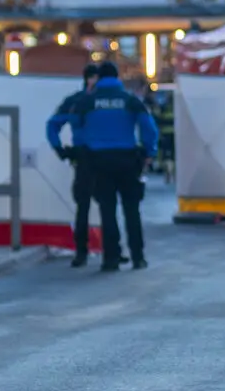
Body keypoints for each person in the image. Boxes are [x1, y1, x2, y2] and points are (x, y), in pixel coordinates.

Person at [73, 61, 158, 271]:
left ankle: (110, 258)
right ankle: (138, 257)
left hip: (99, 161)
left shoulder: (88, 102)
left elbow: (77, 130)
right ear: (117, 77)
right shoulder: (130, 100)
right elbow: (149, 128)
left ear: (99, 78)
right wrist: (149, 152)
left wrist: (83, 150)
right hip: (128, 160)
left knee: (107, 210)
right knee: (132, 210)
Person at [46, 63, 103, 268]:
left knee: (102, 204)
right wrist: (59, 148)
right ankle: (82, 250)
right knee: (86, 204)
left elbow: (53, 125)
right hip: (89, 157)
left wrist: (61, 149)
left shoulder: (77, 101)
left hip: (92, 157)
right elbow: (53, 125)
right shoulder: (76, 101)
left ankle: (105, 249)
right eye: (94, 78)